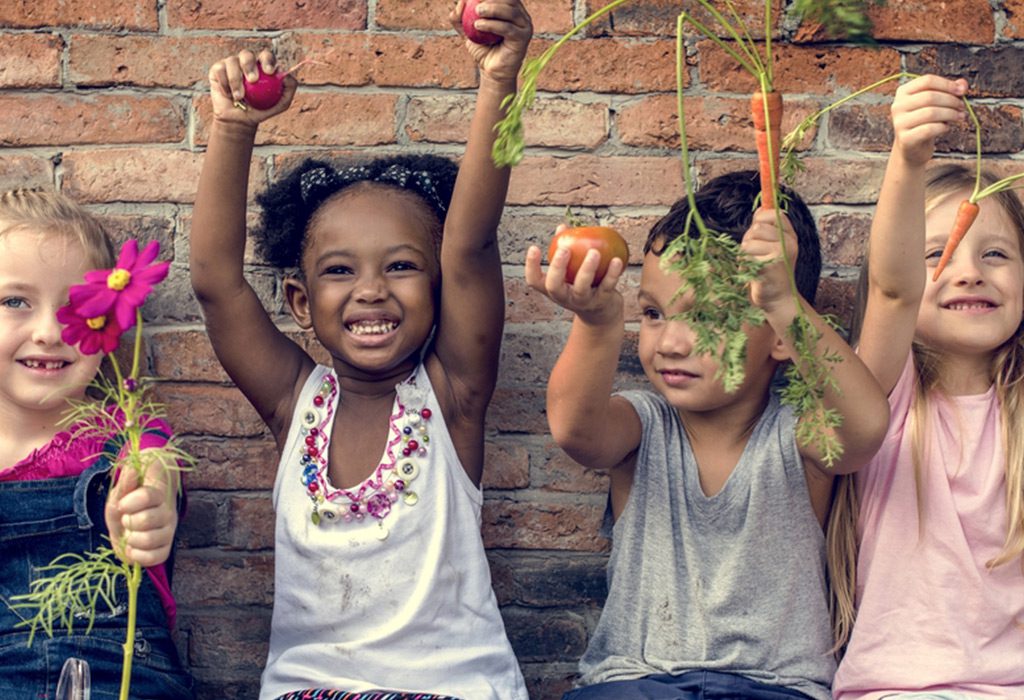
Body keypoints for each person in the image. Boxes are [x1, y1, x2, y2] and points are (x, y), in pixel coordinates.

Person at [188, 2, 532, 698]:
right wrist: (231, 127)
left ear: (440, 291)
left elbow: (469, 245)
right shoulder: (296, 402)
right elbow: (217, 285)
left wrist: (499, 82)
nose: (371, 291)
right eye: (339, 272)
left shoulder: (453, 395)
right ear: (298, 303)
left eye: (402, 267)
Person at [525, 171, 890, 700]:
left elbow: (864, 428)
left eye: (707, 317)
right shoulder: (642, 425)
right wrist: (598, 322)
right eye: (653, 314)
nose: (670, 342)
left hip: (775, 689)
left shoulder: (800, 434)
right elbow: (575, 430)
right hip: (636, 683)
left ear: (780, 337)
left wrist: (787, 304)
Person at [830, 75, 1024, 699]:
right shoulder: (885, 391)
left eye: (995, 254)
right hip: (899, 691)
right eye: (938, 254)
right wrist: (908, 158)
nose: (968, 272)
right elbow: (892, 289)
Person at [0, 188, 193, 698]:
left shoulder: (128, 431)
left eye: (74, 306)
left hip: (124, 673)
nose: (48, 331)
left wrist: (149, 506)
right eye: (15, 301)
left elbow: (154, 468)